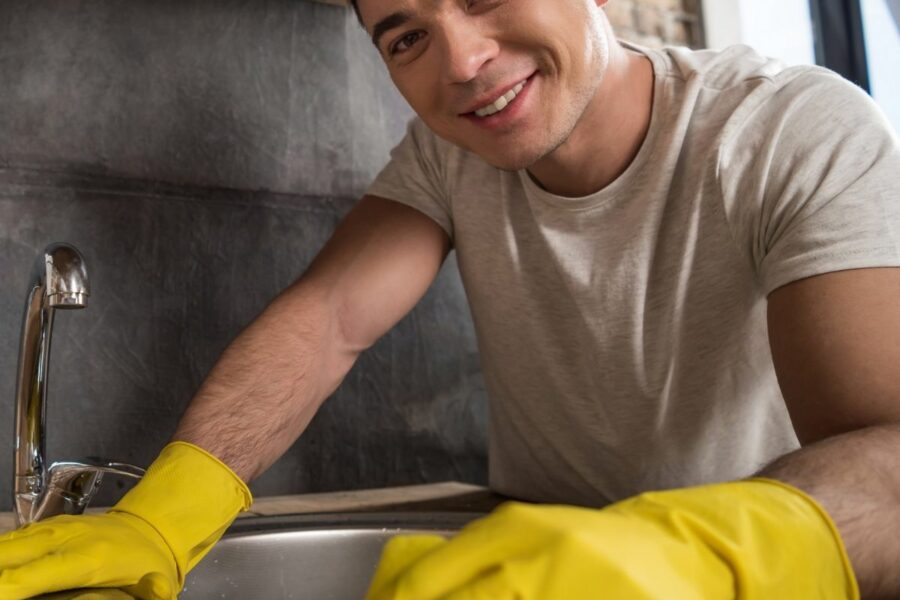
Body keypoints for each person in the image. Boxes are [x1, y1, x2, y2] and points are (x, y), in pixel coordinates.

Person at [2, 0, 899, 598]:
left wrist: (702, 556)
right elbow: (327, 322)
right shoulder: (455, 154)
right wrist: (169, 511)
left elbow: (889, 464)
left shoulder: (794, 130)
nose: (463, 62)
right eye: (407, 37)